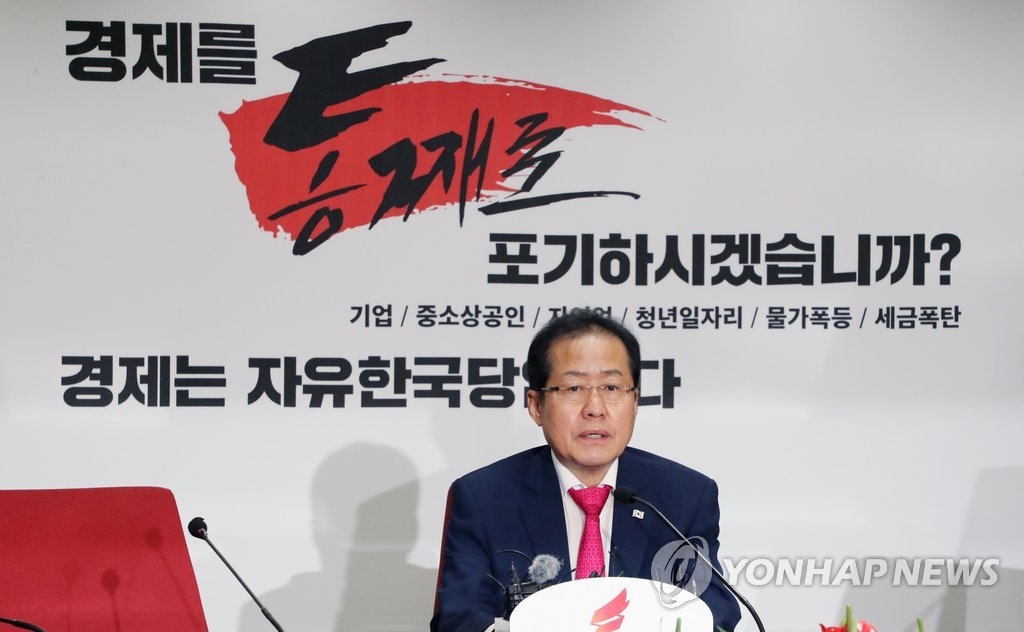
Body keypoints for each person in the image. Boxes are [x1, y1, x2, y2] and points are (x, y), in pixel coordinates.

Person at [430, 309, 741, 631]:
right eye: (574, 388)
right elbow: (458, 618)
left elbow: (714, 611)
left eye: (612, 388)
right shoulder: (485, 498)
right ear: (536, 406)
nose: (595, 409)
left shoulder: (684, 496)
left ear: (635, 402)